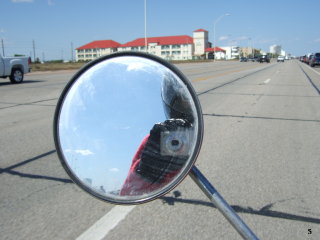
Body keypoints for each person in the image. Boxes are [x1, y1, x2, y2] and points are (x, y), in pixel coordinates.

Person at [120, 73, 195, 196]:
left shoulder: (191, 135)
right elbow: (129, 193)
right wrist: (148, 172)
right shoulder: (161, 136)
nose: (189, 105)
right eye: (184, 99)